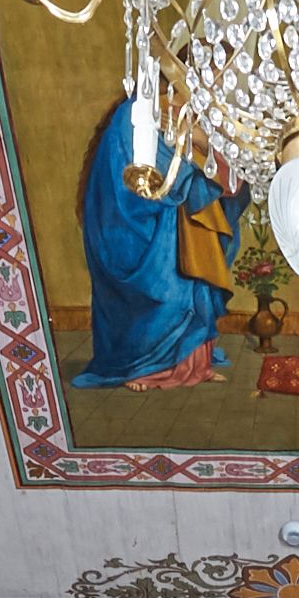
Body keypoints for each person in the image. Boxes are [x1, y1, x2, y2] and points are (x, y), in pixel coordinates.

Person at [74, 96, 242, 390]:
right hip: (143, 227)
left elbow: (222, 168)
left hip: (182, 224)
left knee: (194, 286)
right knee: (167, 292)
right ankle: (139, 367)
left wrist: (203, 144)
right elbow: (132, 177)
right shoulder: (134, 112)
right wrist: (192, 164)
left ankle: (195, 364)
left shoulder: (194, 108)